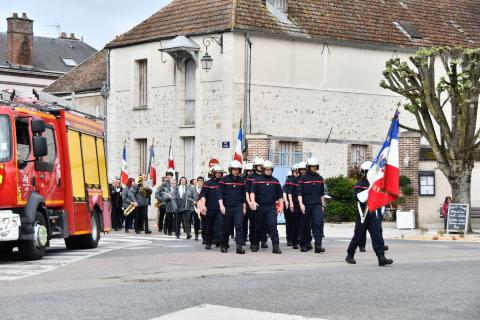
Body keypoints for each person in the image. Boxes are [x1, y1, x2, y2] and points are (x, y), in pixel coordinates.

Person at [345, 161, 393, 266]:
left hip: (373, 212)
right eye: (367, 172)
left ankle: (381, 257)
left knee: (377, 235)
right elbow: (360, 198)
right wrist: (370, 190)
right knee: (358, 235)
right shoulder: (359, 185)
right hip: (362, 214)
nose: (370, 174)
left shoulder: (375, 184)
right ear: (363, 173)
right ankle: (350, 254)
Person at [250, 160, 284, 254]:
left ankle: (276, 247)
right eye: (267, 169)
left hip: (271, 207)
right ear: (263, 169)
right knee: (258, 226)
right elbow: (252, 192)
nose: (269, 171)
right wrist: (253, 201)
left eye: (270, 169)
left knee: (273, 226)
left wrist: (281, 206)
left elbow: (280, 196)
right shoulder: (257, 180)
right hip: (260, 207)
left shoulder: (275, 181)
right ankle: (255, 244)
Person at [297, 157, 326, 253]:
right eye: (312, 166)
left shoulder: (320, 178)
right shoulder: (302, 178)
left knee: (318, 224)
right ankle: (303, 245)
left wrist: (322, 205)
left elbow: (322, 193)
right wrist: (301, 204)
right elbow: (299, 193)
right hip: (306, 205)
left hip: (317, 204)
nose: (313, 168)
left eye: (315, 166)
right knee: (305, 225)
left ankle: (318, 246)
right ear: (308, 167)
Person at [218, 160, 247, 254]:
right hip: (227, 206)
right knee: (226, 227)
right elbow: (220, 194)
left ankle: (239, 247)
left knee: (239, 226)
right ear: (231, 169)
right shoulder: (224, 179)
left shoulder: (241, 180)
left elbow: (243, 195)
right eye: (234, 169)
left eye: (237, 169)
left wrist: (244, 207)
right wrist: (221, 206)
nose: (236, 171)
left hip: (238, 207)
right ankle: (224, 245)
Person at [200, 166, 223, 249]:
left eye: (220, 173)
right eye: (217, 172)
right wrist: (203, 206)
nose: (219, 174)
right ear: (213, 173)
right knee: (209, 226)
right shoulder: (207, 183)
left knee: (220, 225)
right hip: (210, 208)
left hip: (220, 208)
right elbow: (203, 196)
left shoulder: (223, 183)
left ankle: (218, 240)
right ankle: (208, 242)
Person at [286, 164, 301, 249]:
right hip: (293, 204)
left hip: (300, 204)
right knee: (291, 223)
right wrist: (289, 203)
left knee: (301, 224)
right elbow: (287, 193)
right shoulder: (290, 181)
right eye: (294, 171)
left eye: (297, 171)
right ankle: (291, 239)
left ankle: (299, 239)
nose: (296, 173)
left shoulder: (301, 180)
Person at [283, 170, 293, 246]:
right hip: (288, 206)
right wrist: (286, 201)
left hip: (296, 205)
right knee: (289, 223)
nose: (290, 179)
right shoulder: (285, 186)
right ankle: (289, 239)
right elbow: (284, 194)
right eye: (289, 177)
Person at [192, 176, 205, 241]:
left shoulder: (205, 188)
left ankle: (203, 236)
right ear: (197, 181)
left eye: (201, 180)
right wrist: (193, 201)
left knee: (204, 222)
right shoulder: (193, 189)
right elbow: (188, 196)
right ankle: (196, 234)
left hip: (203, 207)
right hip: (196, 207)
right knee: (196, 221)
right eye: (199, 180)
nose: (200, 182)